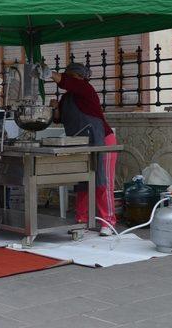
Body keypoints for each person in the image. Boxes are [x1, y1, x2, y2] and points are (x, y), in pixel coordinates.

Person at [49, 62, 117, 236]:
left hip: (103, 141)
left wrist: (46, 72)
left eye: (69, 75)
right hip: (82, 143)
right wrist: (55, 108)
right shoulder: (68, 97)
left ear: (79, 77)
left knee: (103, 182)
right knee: (82, 183)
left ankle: (108, 222)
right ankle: (81, 220)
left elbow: (65, 82)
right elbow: (58, 119)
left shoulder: (86, 89)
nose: (67, 78)